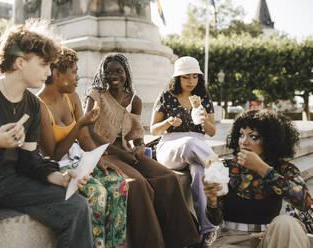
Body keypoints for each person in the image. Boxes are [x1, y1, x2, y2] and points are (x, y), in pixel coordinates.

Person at [0, 20, 92, 248]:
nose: (49, 72)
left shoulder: (32, 104)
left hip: (13, 183)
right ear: (20, 62)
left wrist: (56, 176)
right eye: (44, 64)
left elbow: (28, 160)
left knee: (77, 208)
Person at [85, 53, 201, 248]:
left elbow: (137, 133)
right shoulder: (96, 95)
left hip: (126, 152)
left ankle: (185, 240)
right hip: (103, 153)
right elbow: (86, 130)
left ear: (126, 74)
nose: (114, 75)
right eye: (109, 71)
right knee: (138, 184)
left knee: (168, 178)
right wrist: (122, 153)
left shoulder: (134, 100)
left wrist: (139, 145)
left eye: (118, 71)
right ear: (102, 74)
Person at [37, 47, 128, 248]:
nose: (78, 78)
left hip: (79, 160)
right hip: (58, 168)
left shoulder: (72, 97)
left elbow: (84, 136)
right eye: (74, 72)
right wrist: (78, 125)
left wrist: (100, 160)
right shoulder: (40, 106)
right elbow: (53, 154)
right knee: (98, 193)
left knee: (119, 184)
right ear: (57, 74)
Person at [203, 109, 312, 248]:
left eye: (253, 137)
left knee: (287, 223)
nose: (244, 142)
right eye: (241, 135)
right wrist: (211, 201)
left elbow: (305, 203)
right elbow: (215, 221)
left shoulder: (283, 168)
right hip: (233, 239)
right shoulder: (225, 167)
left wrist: (263, 169)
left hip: (270, 238)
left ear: (271, 140)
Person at [150, 56, 218, 246]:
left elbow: (211, 132)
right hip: (170, 147)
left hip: (197, 146)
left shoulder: (203, 97)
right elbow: (153, 129)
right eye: (186, 77)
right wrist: (168, 122)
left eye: (195, 77)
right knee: (189, 143)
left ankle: (209, 230)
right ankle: (220, 170)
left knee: (201, 173)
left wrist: (204, 119)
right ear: (177, 78)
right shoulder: (166, 96)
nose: (191, 81)